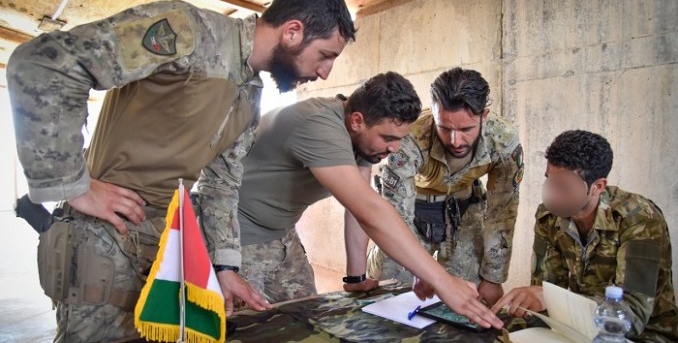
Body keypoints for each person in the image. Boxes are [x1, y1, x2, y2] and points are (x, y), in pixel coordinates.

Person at [8, 0, 355, 343]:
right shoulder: (188, 32)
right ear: (293, 32)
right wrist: (73, 184)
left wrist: (225, 266)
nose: (325, 72)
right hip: (102, 239)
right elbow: (45, 65)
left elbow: (222, 184)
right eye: (326, 55)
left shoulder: (249, 93)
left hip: (164, 245)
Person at [227, 71, 504, 330]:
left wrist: (356, 277)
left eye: (400, 139)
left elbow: (357, 207)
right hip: (236, 237)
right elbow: (370, 211)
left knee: (308, 321)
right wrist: (441, 280)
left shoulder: (360, 138)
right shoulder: (318, 125)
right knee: (247, 328)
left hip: (283, 236)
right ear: (357, 120)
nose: (394, 148)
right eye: (388, 138)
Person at [491, 130, 678, 342]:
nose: (553, 194)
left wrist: (552, 300)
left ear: (597, 186)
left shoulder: (639, 219)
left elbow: (632, 316)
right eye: (550, 181)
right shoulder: (549, 217)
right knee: (496, 328)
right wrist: (527, 303)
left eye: (564, 187)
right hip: (575, 328)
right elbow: (546, 290)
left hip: (641, 334)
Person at [364, 67, 523, 305]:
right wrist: (422, 269)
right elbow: (396, 210)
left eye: (466, 129)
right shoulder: (412, 136)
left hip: (465, 211)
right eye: (445, 128)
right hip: (411, 211)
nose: (455, 140)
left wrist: (493, 277)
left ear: (484, 115)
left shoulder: (503, 140)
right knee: (391, 294)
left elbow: (502, 210)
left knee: (468, 297)